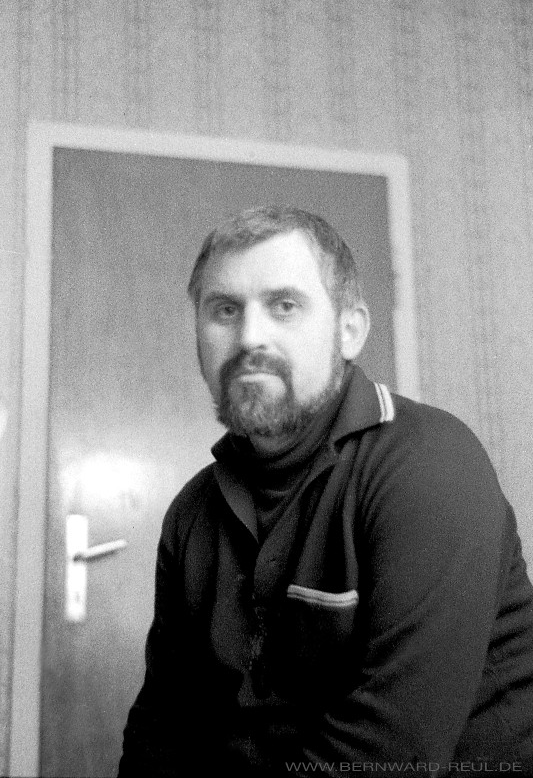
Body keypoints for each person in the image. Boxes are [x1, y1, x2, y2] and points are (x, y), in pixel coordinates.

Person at [119, 206, 533, 777]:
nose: (249, 337)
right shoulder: (191, 513)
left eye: (284, 305)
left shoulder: (430, 464)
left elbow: (390, 755)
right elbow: (162, 725)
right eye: (224, 310)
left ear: (350, 330)